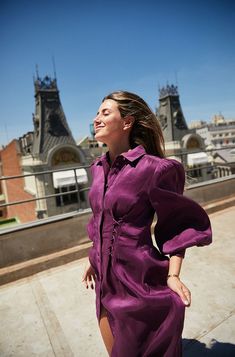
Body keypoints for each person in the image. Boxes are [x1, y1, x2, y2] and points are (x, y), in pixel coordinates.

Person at [82, 91, 212, 357]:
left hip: (138, 283)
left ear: (127, 122)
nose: (96, 119)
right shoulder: (97, 168)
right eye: (97, 113)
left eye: (105, 113)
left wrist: (173, 276)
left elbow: (178, 223)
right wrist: (92, 258)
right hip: (105, 284)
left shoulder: (154, 169)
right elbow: (99, 218)